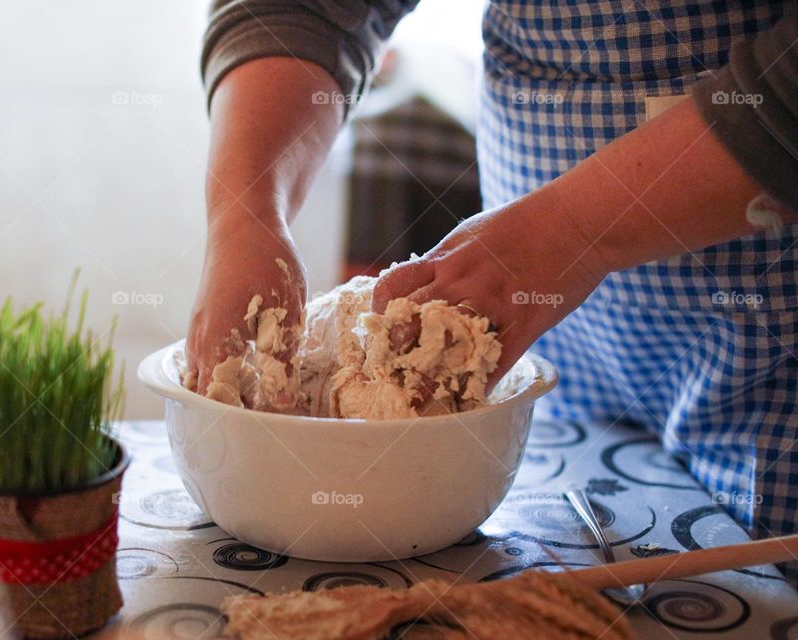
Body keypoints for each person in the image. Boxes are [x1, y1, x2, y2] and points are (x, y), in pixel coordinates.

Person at [187, 2, 798, 581]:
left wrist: (572, 230)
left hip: (768, 383)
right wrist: (245, 214)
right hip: (565, 357)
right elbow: (303, 10)